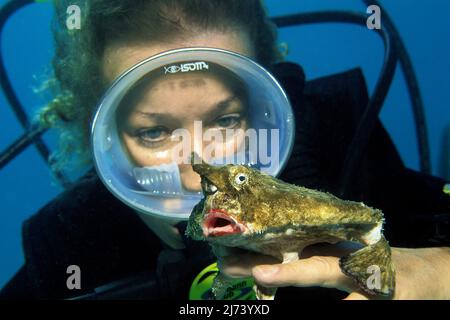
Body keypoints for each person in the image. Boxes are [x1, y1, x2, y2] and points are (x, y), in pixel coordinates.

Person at [1, 0, 449, 300]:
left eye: (227, 121)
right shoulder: (70, 244)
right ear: (105, 138)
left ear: (266, 105)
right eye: (153, 133)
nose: (198, 181)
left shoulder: (342, 144)